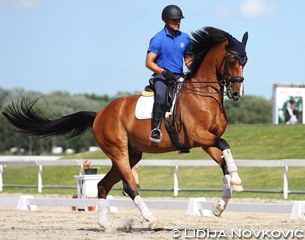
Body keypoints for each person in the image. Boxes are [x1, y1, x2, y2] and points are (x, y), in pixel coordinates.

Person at [145, 4, 192, 143]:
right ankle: (155, 130)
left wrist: (194, 67)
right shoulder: (158, 39)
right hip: (162, 76)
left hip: (179, 76)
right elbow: (149, 62)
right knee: (160, 96)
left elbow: (188, 59)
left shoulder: (185, 38)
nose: (177, 22)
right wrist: (163, 72)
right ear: (165, 20)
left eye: (179, 20)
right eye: (174, 20)